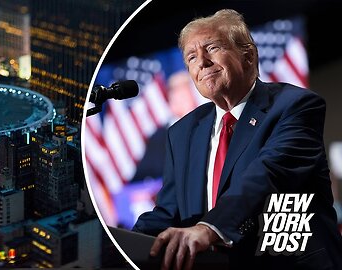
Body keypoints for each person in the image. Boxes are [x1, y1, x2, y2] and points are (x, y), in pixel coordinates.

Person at [132, 9, 342, 270]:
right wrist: (120, 241)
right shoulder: (182, 132)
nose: (202, 62)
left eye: (212, 48)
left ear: (249, 55)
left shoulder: (295, 105)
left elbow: (268, 175)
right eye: (192, 57)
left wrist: (210, 227)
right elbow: (168, 212)